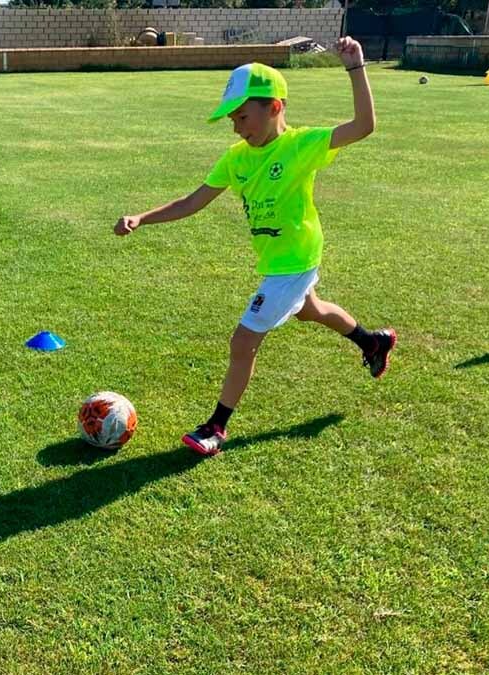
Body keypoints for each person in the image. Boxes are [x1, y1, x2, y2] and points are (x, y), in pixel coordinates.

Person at [113, 37, 396, 457]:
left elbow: (363, 127)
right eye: (232, 119)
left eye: (243, 116)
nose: (237, 126)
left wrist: (355, 68)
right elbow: (194, 201)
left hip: (295, 258)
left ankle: (216, 427)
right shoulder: (236, 158)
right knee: (311, 311)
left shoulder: (301, 145)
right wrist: (143, 217)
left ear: (274, 107)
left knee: (243, 342)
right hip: (279, 260)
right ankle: (372, 342)